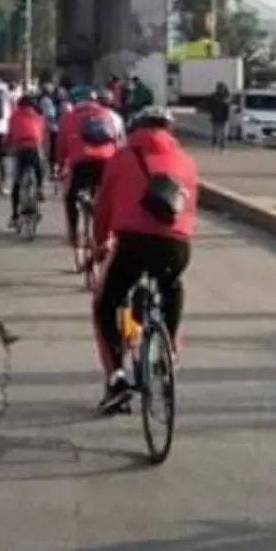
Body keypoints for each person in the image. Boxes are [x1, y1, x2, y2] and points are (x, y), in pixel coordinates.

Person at [90, 106, 197, 413]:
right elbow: (190, 209)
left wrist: (100, 244)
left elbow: (103, 208)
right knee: (172, 284)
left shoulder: (122, 157)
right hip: (177, 245)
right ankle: (170, 350)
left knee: (106, 303)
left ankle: (116, 379)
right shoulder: (187, 161)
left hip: (133, 242)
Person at [57, 89, 126, 270]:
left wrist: (59, 165)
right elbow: (118, 142)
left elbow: (62, 146)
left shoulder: (69, 118)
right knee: (107, 198)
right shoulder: (108, 116)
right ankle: (109, 233)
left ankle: (74, 234)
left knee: (71, 196)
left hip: (81, 162)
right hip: (106, 161)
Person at [5, 94, 47, 227]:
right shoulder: (38, 116)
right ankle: (40, 188)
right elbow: (42, 135)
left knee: (17, 182)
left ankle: (14, 216)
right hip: (34, 147)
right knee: (40, 168)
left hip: (20, 149)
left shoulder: (15, 116)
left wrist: (7, 148)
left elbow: (10, 134)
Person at [208, 82, 232, 151]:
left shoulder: (226, 97)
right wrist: (211, 115)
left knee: (223, 134)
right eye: (220, 88)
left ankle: (222, 146)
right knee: (215, 132)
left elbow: (227, 108)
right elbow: (211, 107)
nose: (221, 90)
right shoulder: (214, 97)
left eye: (222, 88)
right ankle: (214, 145)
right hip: (216, 117)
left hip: (224, 118)